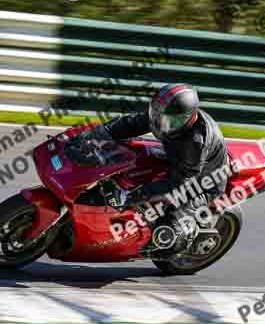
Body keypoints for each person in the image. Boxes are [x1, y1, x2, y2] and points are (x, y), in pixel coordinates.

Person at [90, 83, 230, 253]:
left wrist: (135, 195)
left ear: (187, 118)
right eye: (157, 115)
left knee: (169, 229)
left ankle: (182, 239)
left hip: (202, 182)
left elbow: (181, 183)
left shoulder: (195, 142)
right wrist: (100, 132)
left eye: (168, 120)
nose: (160, 123)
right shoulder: (166, 117)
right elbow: (132, 124)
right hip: (177, 161)